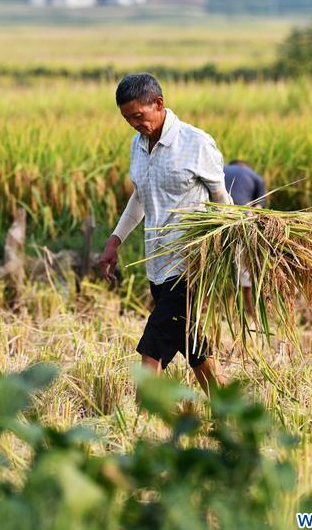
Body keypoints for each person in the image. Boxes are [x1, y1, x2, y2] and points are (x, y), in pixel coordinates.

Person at [98, 73, 229, 394]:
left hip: (191, 267)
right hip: (157, 266)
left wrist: (228, 254)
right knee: (197, 351)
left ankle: (142, 424)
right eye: (127, 118)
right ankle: (227, 408)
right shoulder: (138, 145)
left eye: (138, 116)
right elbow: (141, 196)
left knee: (151, 346)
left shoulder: (196, 143)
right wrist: (115, 240)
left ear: (159, 104)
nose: (133, 124)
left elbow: (222, 201)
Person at [223, 160, 266, 317]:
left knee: (208, 270)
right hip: (241, 220)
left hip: (216, 216)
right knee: (245, 272)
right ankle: (251, 313)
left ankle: (203, 308)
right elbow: (258, 210)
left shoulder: (221, 169)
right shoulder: (256, 177)